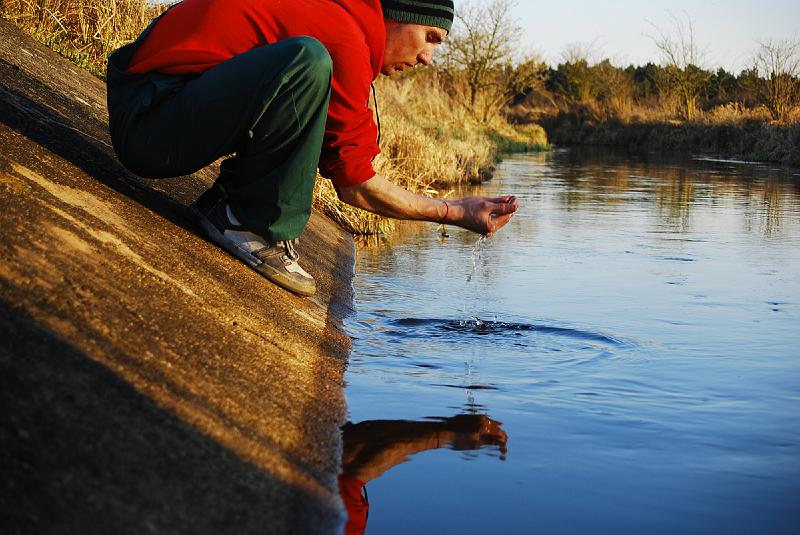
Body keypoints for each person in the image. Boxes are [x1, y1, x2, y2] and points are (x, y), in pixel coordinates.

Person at [106, 0, 519, 297]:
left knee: (308, 67)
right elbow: (356, 185)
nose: (429, 57)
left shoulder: (337, 15)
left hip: (153, 102)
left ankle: (232, 203)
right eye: (430, 37)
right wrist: (455, 212)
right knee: (309, 60)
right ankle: (248, 222)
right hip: (151, 124)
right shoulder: (342, 37)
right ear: (397, 15)